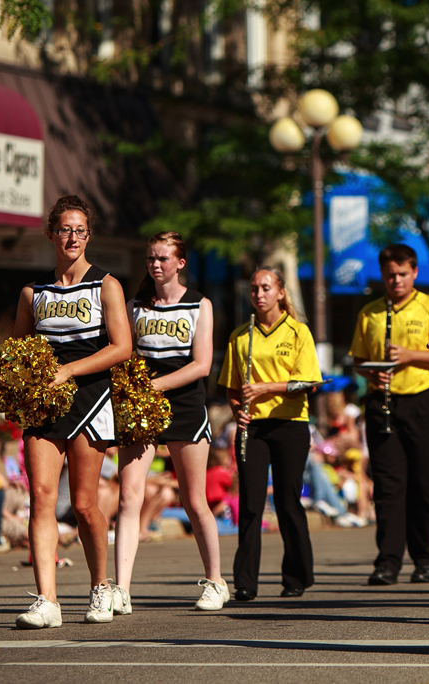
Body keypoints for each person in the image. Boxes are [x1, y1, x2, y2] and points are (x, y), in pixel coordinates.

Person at [12, 194, 133, 629]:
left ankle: (101, 585)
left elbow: (122, 348)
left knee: (83, 504)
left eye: (80, 230)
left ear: (89, 235)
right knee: (41, 498)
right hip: (45, 403)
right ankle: (47, 599)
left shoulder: (106, 284)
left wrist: (71, 371)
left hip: (91, 397)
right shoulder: (33, 292)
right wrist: (19, 384)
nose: (72, 237)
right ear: (51, 233)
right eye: (65, 229)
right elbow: (19, 350)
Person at [115, 231, 228, 615]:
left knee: (195, 501)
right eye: (151, 258)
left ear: (180, 263)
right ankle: (121, 589)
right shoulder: (135, 306)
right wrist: (132, 390)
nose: (156, 264)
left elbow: (201, 365)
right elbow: (124, 355)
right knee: (129, 495)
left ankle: (215, 580)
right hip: (141, 409)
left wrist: (154, 385)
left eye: (163, 258)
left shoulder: (200, 304)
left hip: (185, 405)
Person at [351, 243, 429, 587]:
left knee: (426, 484)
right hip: (382, 402)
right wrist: (372, 373)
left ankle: (427, 558)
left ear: (414, 273)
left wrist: (410, 356)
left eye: (402, 274)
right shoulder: (370, 312)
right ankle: (388, 560)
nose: (395, 280)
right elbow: (358, 361)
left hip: (423, 399)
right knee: (387, 486)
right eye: (389, 275)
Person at [221, 266, 321, 602]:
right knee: (249, 502)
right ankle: (245, 581)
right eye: (254, 288)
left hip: (290, 425)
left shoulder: (297, 332)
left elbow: (308, 382)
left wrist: (265, 388)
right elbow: (232, 388)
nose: (259, 294)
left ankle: (297, 575)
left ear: (280, 292)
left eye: (266, 288)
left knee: (287, 500)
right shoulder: (240, 336)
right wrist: (238, 411)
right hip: (254, 428)